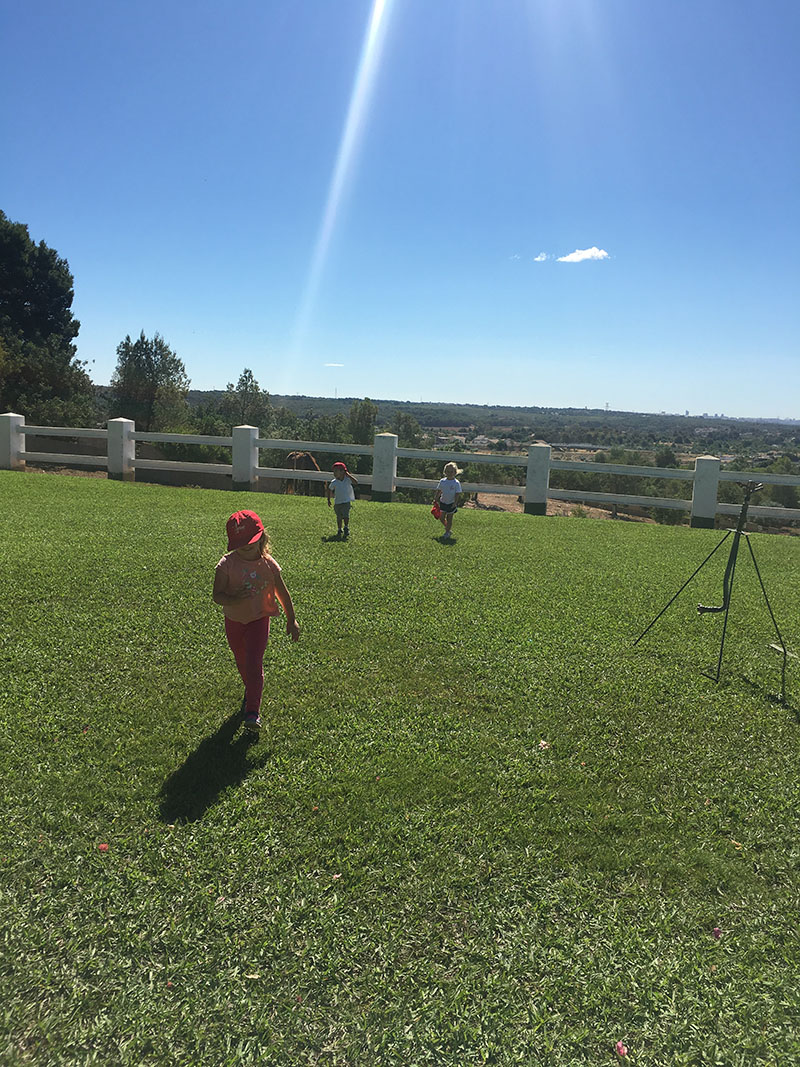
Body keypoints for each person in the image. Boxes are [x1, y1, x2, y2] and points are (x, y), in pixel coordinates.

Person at [212, 510, 299, 733]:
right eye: (241, 543)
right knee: (241, 661)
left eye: (250, 541)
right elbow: (217, 595)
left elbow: (282, 593)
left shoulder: (268, 564)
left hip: (259, 619)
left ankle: (252, 712)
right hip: (234, 621)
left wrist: (291, 619)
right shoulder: (226, 565)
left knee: (253, 662)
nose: (246, 546)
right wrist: (233, 598)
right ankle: (251, 688)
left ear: (262, 537)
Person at [326, 461, 358, 539]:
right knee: (339, 517)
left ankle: (346, 527)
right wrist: (328, 499)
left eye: (336, 471)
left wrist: (349, 475)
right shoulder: (334, 482)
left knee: (346, 515)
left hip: (346, 501)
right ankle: (339, 529)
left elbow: (355, 482)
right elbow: (329, 489)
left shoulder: (347, 480)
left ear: (343, 472)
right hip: (337, 502)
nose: (334, 473)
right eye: (334, 471)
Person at [433, 462, 463, 540]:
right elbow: (439, 491)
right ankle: (448, 528)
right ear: (445, 472)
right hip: (443, 502)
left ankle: (447, 532)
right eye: (448, 471)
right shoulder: (442, 481)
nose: (450, 473)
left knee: (449, 518)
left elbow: (457, 494)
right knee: (441, 517)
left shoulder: (456, 483)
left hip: (451, 503)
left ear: (455, 472)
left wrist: (455, 503)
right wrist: (436, 499)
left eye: (451, 472)